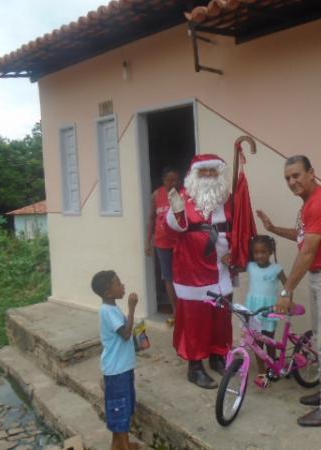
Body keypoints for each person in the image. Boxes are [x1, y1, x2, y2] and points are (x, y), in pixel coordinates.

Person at [256, 154, 321, 427]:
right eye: (287, 178)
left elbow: (309, 249)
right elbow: (304, 236)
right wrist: (274, 228)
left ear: (312, 173)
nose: (291, 182)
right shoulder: (308, 205)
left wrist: (286, 290)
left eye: (296, 175)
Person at [166, 154, 233, 389]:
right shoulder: (184, 198)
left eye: (212, 171)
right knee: (196, 320)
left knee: (221, 318)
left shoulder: (226, 198)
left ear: (219, 174)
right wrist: (176, 211)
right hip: (193, 271)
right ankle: (195, 367)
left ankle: (218, 356)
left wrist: (236, 252)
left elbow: (238, 226)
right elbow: (175, 225)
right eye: (203, 172)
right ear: (194, 175)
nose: (208, 176)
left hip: (222, 269)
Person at [91, 270, 140, 450]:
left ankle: (117, 444)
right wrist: (132, 308)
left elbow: (124, 332)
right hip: (117, 371)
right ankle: (124, 446)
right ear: (108, 293)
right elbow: (125, 334)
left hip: (122, 368)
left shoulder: (112, 308)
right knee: (119, 409)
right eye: (118, 284)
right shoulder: (108, 311)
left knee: (122, 408)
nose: (123, 286)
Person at [242, 235, 286, 389]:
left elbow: (288, 287)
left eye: (264, 251)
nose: (260, 255)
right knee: (257, 341)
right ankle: (262, 372)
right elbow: (236, 264)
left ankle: (272, 368)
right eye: (256, 252)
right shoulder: (251, 266)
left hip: (269, 309)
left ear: (271, 252)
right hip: (254, 309)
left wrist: (283, 299)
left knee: (270, 340)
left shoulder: (276, 268)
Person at [145, 167, 180, 327]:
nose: (172, 183)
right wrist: (148, 242)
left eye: (175, 180)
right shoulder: (157, 195)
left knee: (183, 276)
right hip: (162, 243)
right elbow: (152, 219)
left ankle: (185, 310)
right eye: (168, 180)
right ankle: (175, 311)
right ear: (163, 180)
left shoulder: (183, 194)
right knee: (168, 277)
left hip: (181, 242)